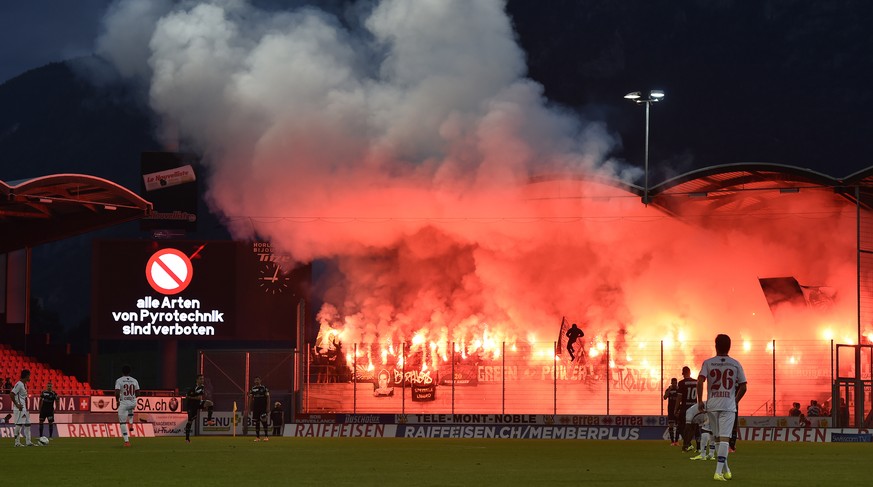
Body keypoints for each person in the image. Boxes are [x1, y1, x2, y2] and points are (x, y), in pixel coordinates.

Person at [697, 334, 747, 482]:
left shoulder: (708, 363)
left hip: (712, 405)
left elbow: (700, 381)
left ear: (715, 345)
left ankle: (726, 469)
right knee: (724, 439)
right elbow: (744, 386)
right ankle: (718, 472)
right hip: (727, 405)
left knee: (718, 439)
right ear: (729, 346)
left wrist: (700, 400)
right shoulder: (735, 363)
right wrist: (734, 400)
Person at [184, 374, 215, 443]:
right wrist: (190, 397)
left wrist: (190, 397)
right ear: (197, 380)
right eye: (201, 379)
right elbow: (189, 395)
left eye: (203, 379)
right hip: (191, 406)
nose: (202, 380)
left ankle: (209, 420)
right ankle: (187, 439)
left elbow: (198, 397)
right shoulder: (192, 388)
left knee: (210, 403)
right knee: (190, 421)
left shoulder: (202, 387)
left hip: (198, 403)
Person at [114, 364, 140, 447]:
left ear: (122, 372)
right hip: (133, 402)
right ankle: (131, 423)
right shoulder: (135, 380)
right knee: (130, 407)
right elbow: (138, 393)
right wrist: (132, 398)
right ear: (130, 372)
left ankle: (126, 441)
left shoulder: (119, 380)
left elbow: (117, 392)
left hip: (124, 403)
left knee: (122, 423)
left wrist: (117, 401)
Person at [10, 369, 36, 447]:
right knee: (19, 424)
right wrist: (17, 405)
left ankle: (28, 442)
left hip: (24, 408)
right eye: (29, 375)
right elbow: (11, 394)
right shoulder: (19, 384)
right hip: (19, 408)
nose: (30, 377)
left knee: (28, 423)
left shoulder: (24, 384)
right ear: (26, 376)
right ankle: (17, 443)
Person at [676, 366, 699, 452]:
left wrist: (676, 409)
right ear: (690, 372)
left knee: (681, 427)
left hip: (685, 407)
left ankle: (687, 444)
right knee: (695, 427)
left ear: (683, 373)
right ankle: (699, 447)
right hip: (694, 406)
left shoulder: (681, 383)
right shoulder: (696, 382)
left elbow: (679, 398)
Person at [248, 376, 271, 442]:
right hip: (256, 408)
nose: (257, 381)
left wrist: (268, 407)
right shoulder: (253, 389)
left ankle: (266, 436)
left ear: (260, 381)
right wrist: (249, 408)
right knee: (257, 422)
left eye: (258, 380)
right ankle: (257, 437)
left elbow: (268, 397)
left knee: (264, 421)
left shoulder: (264, 388)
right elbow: (250, 398)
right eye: (256, 380)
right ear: (254, 381)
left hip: (263, 407)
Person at [663, 377, 679, 445]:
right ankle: (672, 442)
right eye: (673, 383)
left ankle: (677, 441)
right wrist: (669, 390)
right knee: (671, 425)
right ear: (671, 383)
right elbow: (665, 397)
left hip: (678, 409)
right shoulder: (669, 389)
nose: (674, 384)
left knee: (678, 425)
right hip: (671, 409)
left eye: (676, 383)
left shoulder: (679, 389)